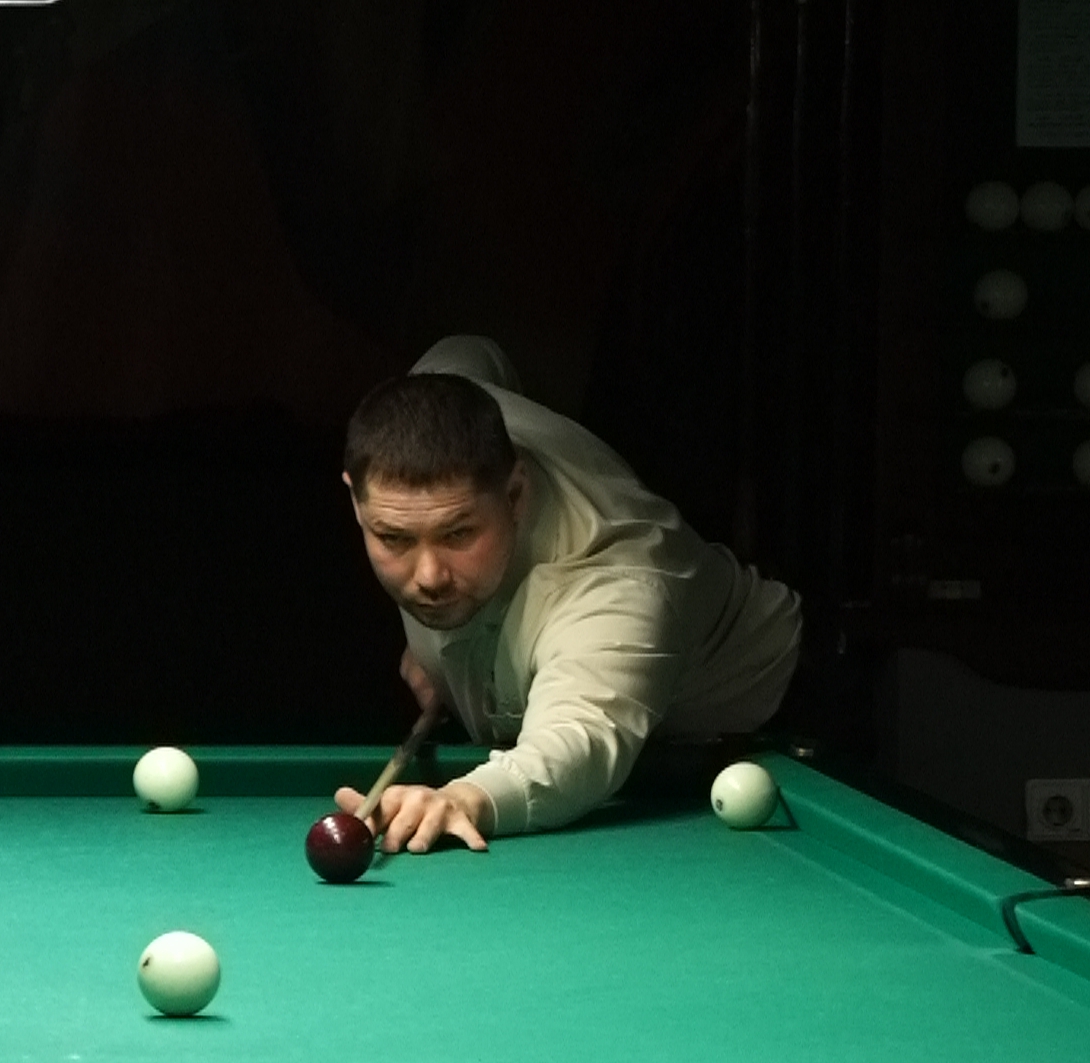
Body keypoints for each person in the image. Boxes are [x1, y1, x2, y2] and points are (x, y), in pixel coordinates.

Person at [335, 335, 802, 854]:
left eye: (458, 534)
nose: (428, 577)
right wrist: (439, 654)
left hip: (754, 721)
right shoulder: (442, 395)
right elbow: (471, 349)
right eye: (394, 538)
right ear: (356, 500)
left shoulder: (620, 586)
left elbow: (577, 743)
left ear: (515, 494)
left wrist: (466, 799)